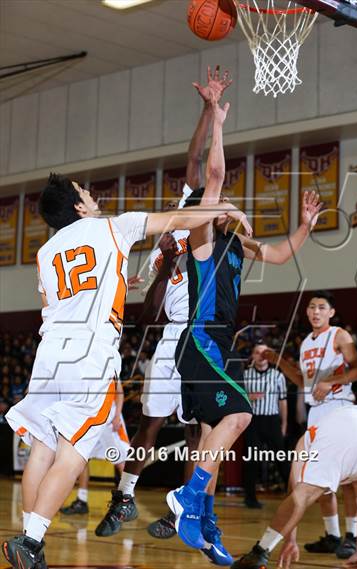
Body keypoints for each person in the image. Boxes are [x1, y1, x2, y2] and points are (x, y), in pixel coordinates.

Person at [1, 170, 249, 569]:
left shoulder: (45, 253)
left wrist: (116, 279)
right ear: (79, 206)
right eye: (84, 191)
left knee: (42, 447)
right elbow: (186, 219)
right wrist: (228, 207)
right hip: (89, 354)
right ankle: (30, 540)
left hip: (50, 353)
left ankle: (32, 541)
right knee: (72, 452)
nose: (91, 193)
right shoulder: (113, 226)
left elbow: (58, 298)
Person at [94, 66, 236, 566]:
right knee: (149, 425)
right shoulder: (171, 233)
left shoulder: (212, 236)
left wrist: (214, 112)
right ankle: (124, 497)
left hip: (201, 338)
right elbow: (148, 314)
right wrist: (207, 109)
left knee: (201, 432)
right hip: (170, 340)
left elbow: (207, 170)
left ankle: (192, 513)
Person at [166, 123, 322, 551]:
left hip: (216, 345)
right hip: (200, 339)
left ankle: (203, 520)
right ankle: (188, 496)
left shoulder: (237, 244)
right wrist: (216, 121)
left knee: (215, 431)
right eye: (220, 204)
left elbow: (278, 254)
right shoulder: (200, 238)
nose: (227, 205)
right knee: (241, 416)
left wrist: (305, 226)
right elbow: (213, 178)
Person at [230, 405, 357, 569]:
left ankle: (260, 552)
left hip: (344, 426)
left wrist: (291, 540)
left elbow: (295, 493)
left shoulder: (307, 440)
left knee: (303, 494)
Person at [264, 291, 357, 559]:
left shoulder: (339, 335)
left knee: (347, 479)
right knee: (318, 479)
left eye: (321, 307)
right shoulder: (306, 342)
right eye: (311, 307)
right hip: (316, 413)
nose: (315, 311)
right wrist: (278, 361)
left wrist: (331, 382)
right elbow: (302, 381)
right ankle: (332, 535)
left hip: (340, 408)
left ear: (331, 312)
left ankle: (352, 535)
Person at [60, 379, 129, 515]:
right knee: (82, 457)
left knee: (121, 460)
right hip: (91, 418)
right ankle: (82, 500)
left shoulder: (108, 360)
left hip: (109, 418)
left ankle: (127, 502)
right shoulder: (83, 365)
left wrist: (117, 416)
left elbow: (119, 392)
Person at [243, 343, 289, 509]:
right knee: (251, 460)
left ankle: (292, 493)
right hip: (252, 422)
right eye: (257, 352)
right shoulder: (245, 375)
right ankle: (250, 498)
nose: (261, 356)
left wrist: (284, 424)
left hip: (272, 421)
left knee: (281, 458)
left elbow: (283, 402)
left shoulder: (277, 376)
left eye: (265, 353)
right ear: (253, 356)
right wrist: (249, 397)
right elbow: (238, 399)